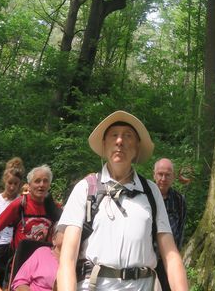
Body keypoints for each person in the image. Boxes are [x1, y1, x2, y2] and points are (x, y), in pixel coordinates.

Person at [57, 110, 189, 291]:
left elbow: (171, 255)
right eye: (114, 135)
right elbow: (68, 258)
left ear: (136, 148)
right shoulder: (86, 188)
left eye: (128, 136)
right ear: (104, 145)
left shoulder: (151, 192)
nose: (120, 141)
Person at [0, 165, 61, 278]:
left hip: (43, 263)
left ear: (49, 185)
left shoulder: (54, 207)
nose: (41, 185)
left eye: (45, 181)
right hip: (20, 261)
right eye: (37, 181)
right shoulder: (20, 204)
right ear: (29, 185)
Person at [153, 159, 187, 291]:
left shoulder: (179, 200)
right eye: (160, 174)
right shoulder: (145, 198)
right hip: (148, 261)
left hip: (168, 260)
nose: (163, 178)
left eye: (167, 175)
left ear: (173, 176)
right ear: (154, 175)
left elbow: (181, 229)